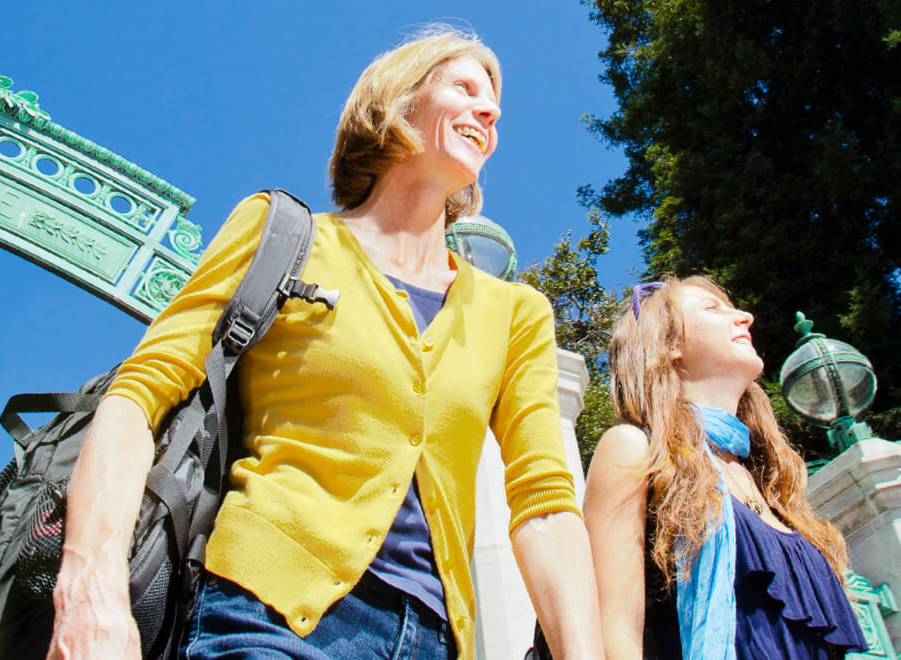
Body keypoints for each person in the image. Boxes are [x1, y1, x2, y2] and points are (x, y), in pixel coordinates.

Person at [46, 26, 604, 660]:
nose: (490, 109)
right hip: (264, 621)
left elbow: (546, 500)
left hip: (436, 642)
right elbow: (137, 395)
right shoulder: (281, 234)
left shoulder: (516, 313)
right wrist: (90, 586)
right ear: (399, 99)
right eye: (465, 87)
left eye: (495, 101)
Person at [583, 276, 868, 659]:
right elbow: (614, 632)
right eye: (712, 309)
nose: (746, 317)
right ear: (669, 345)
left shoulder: (768, 484)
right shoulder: (635, 450)